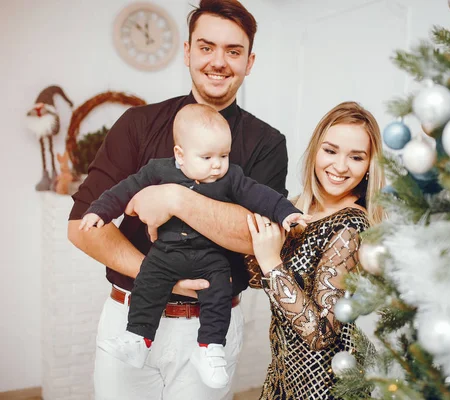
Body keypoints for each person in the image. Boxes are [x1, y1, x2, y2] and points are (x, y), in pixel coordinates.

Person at [67, 1, 287, 398]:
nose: (219, 61)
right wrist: (163, 276)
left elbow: (256, 240)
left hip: (212, 330)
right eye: (206, 47)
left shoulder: (267, 144)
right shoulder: (136, 124)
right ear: (187, 51)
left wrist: (173, 197)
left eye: (233, 51)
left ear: (249, 62)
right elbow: (81, 227)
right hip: (129, 318)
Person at [79, 104, 308, 389]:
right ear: (180, 155)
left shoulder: (231, 176)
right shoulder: (158, 170)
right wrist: (99, 212)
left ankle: (210, 348)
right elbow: (123, 189)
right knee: (148, 280)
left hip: (211, 258)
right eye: (208, 157)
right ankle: (138, 338)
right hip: (166, 253)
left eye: (224, 156)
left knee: (219, 290)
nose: (217, 165)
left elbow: (262, 196)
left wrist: (286, 212)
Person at [246, 101, 385, 399]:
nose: (340, 166)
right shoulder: (299, 210)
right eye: (331, 151)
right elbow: (255, 276)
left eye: (356, 157)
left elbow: (322, 333)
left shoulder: (350, 225)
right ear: (315, 152)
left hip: (323, 389)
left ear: (369, 167)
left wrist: (271, 261)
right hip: (284, 380)